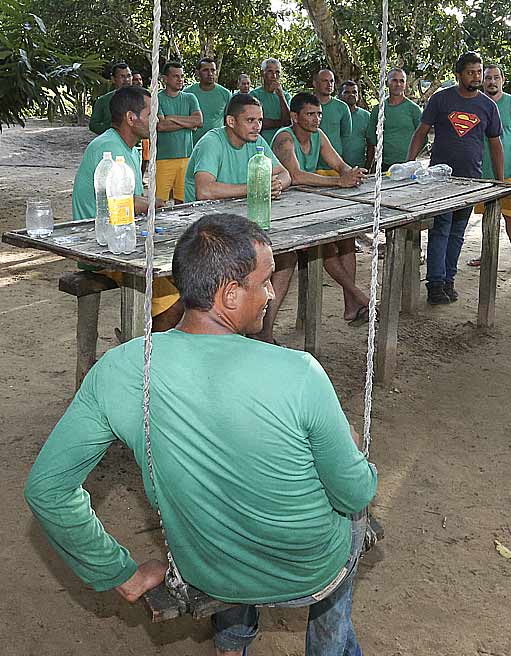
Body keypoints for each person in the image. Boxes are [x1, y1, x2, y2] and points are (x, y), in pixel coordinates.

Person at [24, 213, 378, 656]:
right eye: (265, 282)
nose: (271, 294)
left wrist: (124, 574)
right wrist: (352, 446)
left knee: (219, 502)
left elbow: (47, 490)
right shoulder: (299, 374)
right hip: (305, 571)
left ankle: (231, 644)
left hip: (208, 569)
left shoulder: (121, 368)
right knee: (353, 513)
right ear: (230, 295)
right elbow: (353, 494)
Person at [71, 86, 182, 331]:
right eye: (151, 114)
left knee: (189, 277)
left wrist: (148, 203)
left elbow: (134, 200)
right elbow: (125, 203)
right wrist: (151, 203)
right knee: (177, 300)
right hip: (100, 247)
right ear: (131, 118)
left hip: (119, 237)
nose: (157, 120)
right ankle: (141, 353)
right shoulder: (107, 149)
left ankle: (142, 342)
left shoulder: (131, 148)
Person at [184, 93, 293, 343]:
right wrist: (256, 186)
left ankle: (263, 332)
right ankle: (235, 333)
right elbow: (205, 190)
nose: (257, 126)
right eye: (251, 120)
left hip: (239, 224)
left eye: (260, 120)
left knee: (287, 256)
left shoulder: (257, 142)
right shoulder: (212, 142)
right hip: (205, 229)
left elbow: (285, 173)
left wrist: (277, 184)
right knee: (244, 266)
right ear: (231, 122)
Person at [407, 51, 504, 305]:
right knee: (440, 230)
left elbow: (495, 144)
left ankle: (449, 278)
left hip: (471, 181)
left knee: (458, 232)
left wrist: (500, 180)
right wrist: (409, 163)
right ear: (458, 74)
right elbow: (422, 131)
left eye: (479, 72)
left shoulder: (487, 106)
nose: (476, 76)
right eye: (471, 72)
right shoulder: (441, 100)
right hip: (440, 179)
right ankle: (435, 283)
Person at [272, 92, 371, 325]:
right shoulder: (284, 139)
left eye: (319, 114)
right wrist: (339, 181)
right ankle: (358, 295)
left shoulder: (318, 135)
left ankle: (351, 306)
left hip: (308, 205)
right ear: (295, 117)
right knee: (324, 245)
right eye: (310, 114)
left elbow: (339, 164)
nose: (316, 119)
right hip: (283, 210)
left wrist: (351, 173)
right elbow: (295, 176)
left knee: (347, 239)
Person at [467, 63, 511, 274]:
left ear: (502, 80)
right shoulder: (475, 103)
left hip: (508, 173)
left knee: (510, 216)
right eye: (488, 78)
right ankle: (486, 254)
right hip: (481, 173)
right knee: (487, 216)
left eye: (496, 77)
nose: (492, 81)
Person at [155, 61, 202, 203]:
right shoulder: (157, 98)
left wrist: (172, 118)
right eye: (176, 76)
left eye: (182, 76)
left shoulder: (190, 98)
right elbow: (161, 126)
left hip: (187, 157)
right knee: (159, 202)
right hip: (163, 159)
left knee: (184, 201)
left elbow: (198, 121)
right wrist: (188, 123)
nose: (180, 79)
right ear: (165, 78)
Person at [366, 68, 422, 171]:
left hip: (407, 166)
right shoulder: (378, 110)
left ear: (405, 84)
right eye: (394, 80)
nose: (398, 84)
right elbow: (372, 140)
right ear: (387, 83)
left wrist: (411, 160)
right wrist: (369, 166)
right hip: (384, 165)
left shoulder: (413, 109)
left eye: (402, 81)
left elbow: (422, 137)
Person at [311, 69, 353, 174]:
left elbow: (346, 136)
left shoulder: (342, 107)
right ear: (315, 83)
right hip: (311, 165)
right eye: (325, 81)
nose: (329, 84)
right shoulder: (306, 106)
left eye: (331, 81)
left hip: (334, 165)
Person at [185, 57, 233, 145]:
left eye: (213, 70)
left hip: (217, 143)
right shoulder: (187, 93)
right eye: (205, 70)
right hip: (191, 144)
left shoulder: (225, 94)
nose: (210, 73)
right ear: (197, 73)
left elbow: (230, 121)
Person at [251, 58, 292, 141]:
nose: (274, 76)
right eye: (270, 71)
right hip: (260, 141)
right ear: (263, 73)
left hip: (282, 141)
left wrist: (281, 96)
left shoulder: (286, 96)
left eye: (277, 72)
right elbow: (256, 123)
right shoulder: (254, 95)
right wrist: (280, 123)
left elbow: (288, 122)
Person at [89, 62, 132, 135]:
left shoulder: (141, 98)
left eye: (129, 76)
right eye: (122, 76)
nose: (127, 80)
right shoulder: (103, 101)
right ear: (113, 79)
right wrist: (112, 129)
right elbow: (93, 125)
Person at [340, 80, 370, 168]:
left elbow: (371, 144)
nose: (351, 95)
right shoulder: (335, 114)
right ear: (340, 95)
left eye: (354, 92)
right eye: (347, 92)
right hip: (336, 167)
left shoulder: (366, 116)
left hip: (359, 166)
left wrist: (368, 166)